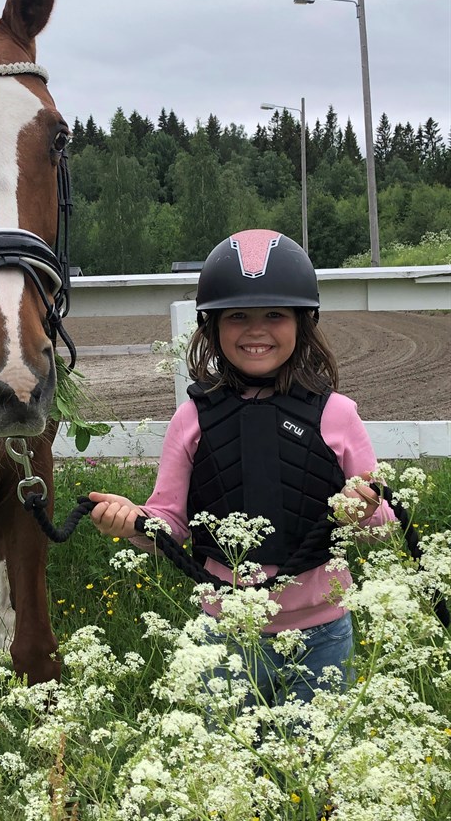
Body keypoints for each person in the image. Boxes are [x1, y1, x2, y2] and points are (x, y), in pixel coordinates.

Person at [89, 228, 396, 706]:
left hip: (321, 635)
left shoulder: (337, 414)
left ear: (302, 322)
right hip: (225, 635)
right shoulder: (192, 418)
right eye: (238, 316)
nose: (256, 330)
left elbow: (385, 525)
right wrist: (133, 522)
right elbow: (171, 522)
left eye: (274, 314)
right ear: (212, 327)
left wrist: (365, 511)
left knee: (311, 754)